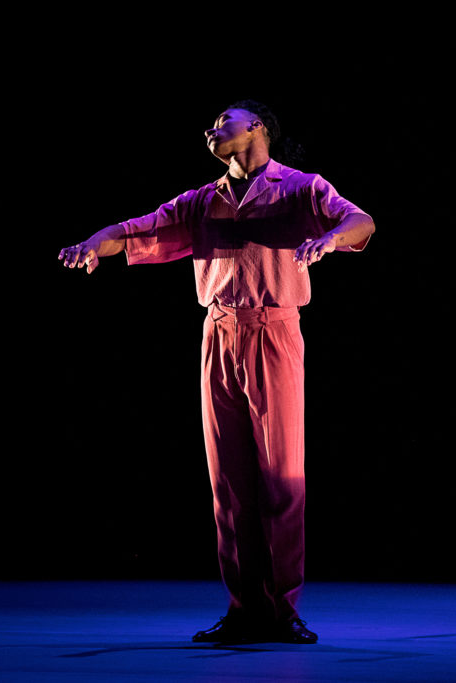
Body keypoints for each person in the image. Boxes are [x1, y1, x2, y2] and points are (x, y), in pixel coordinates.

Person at [59, 100, 375, 644]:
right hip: (218, 334)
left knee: (281, 478)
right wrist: (95, 244)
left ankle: (281, 610)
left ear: (257, 128)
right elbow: (139, 229)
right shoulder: (204, 200)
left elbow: (360, 221)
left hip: (274, 331)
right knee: (228, 482)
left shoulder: (301, 187)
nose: (211, 129)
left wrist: (329, 237)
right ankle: (242, 607)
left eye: (223, 121)